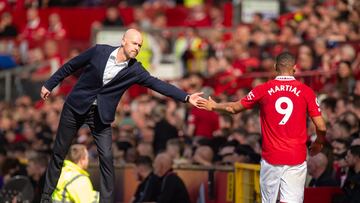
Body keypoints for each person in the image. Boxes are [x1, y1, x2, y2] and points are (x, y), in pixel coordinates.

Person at [39, 28, 203, 203]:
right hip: (76, 106)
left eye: (140, 46)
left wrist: (186, 97)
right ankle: (46, 197)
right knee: (59, 151)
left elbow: (158, 84)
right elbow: (71, 65)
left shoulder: (135, 70)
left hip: (100, 115)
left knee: (107, 159)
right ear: (124, 40)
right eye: (134, 43)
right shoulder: (99, 51)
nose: (137, 48)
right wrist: (50, 84)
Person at [197, 52, 327, 203]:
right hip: (296, 157)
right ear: (295, 68)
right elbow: (321, 126)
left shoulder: (263, 89)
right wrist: (319, 142)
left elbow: (234, 108)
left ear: (274, 67)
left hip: (271, 157)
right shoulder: (306, 91)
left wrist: (214, 106)